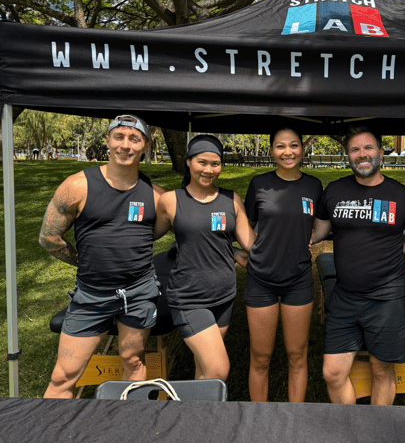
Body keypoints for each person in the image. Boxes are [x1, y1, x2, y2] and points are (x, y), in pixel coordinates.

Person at [39, 114, 165, 398]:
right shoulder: (77, 186)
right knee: (63, 375)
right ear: (107, 140)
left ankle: (129, 429)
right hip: (91, 296)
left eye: (134, 139)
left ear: (145, 146)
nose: (125, 145)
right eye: (119, 137)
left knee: (133, 362)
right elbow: (48, 238)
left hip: (139, 293)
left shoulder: (157, 196)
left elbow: (152, 233)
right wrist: (80, 259)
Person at [311, 126, 405, 406]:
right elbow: (318, 233)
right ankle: (353, 429)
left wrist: (394, 247)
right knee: (333, 373)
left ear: (381, 152)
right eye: (355, 150)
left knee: (381, 370)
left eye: (368, 148)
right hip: (345, 297)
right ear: (347, 156)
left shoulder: (403, 195)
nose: (362, 155)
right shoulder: (334, 191)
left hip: (387, 300)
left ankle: (375, 432)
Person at [154, 134, 255, 381]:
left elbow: (252, 244)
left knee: (206, 369)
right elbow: (144, 236)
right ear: (188, 162)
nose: (209, 170)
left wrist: (292, 239)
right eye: (202, 162)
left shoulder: (231, 200)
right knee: (218, 370)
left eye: (215, 163)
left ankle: (196, 417)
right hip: (189, 297)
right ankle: (202, 417)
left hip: (224, 296)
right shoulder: (170, 201)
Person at [243, 128, 323, 402]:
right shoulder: (259, 184)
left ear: (303, 148)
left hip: (298, 279)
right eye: (280, 146)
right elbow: (248, 227)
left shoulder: (314, 186)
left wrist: (313, 237)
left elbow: (318, 224)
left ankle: (294, 420)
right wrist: (251, 253)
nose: (287, 152)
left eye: (293, 145)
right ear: (271, 151)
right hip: (260, 279)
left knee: (297, 355)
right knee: (261, 357)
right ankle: (257, 419)